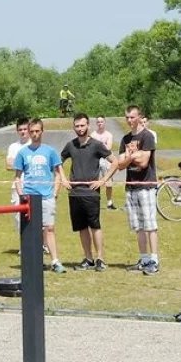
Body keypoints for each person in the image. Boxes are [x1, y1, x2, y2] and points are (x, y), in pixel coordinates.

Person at [102, 106, 159, 275]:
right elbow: (119, 165)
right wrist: (132, 156)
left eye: (132, 117)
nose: (129, 120)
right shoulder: (125, 139)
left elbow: (144, 163)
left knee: (150, 225)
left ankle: (154, 260)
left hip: (146, 185)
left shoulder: (147, 136)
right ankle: (144, 258)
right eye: (127, 117)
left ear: (140, 117)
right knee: (138, 226)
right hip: (131, 186)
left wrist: (130, 157)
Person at [60, 114, 116, 272]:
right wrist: (63, 179)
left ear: (88, 126)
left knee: (95, 226)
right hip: (75, 193)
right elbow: (57, 162)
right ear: (74, 127)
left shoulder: (97, 145)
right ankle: (88, 258)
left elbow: (116, 162)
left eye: (82, 125)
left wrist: (103, 180)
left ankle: (100, 259)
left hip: (91, 194)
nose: (79, 129)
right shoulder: (70, 145)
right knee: (82, 227)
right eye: (77, 126)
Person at [13, 119, 67, 273]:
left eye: (37, 131)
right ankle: (34, 260)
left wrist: (55, 192)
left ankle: (55, 261)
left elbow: (58, 173)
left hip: (47, 196)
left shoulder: (50, 151)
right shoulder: (22, 153)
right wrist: (21, 195)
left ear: (42, 131)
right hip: (29, 197)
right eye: (32, 132)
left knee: (49, 228)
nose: (35, 134)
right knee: (31, 230)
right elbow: (17, 177)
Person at [6, 118, 31, 240]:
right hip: (17, 185)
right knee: (17, 214)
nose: (23, 132)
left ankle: (41, 243)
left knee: (35, 214)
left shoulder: (33, 145)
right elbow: (8, 165)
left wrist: (17, 163)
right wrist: (24, 164)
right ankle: (24, 242)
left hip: (32, 184)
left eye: (25, 129)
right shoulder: (13, 147)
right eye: (20, 129)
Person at [90, 116, 117, 210]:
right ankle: (94, 201)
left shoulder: (109, 135)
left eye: (101, 121)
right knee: (95, 181)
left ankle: (109, 203)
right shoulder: (93, 134)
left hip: (106, 159)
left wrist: (99, 144)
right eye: (98, 122)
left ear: (105, 122)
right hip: (96, 159)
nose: (100, 123)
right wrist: (102, 144)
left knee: (108, 182)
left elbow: (108, 148)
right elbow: (91, 148)